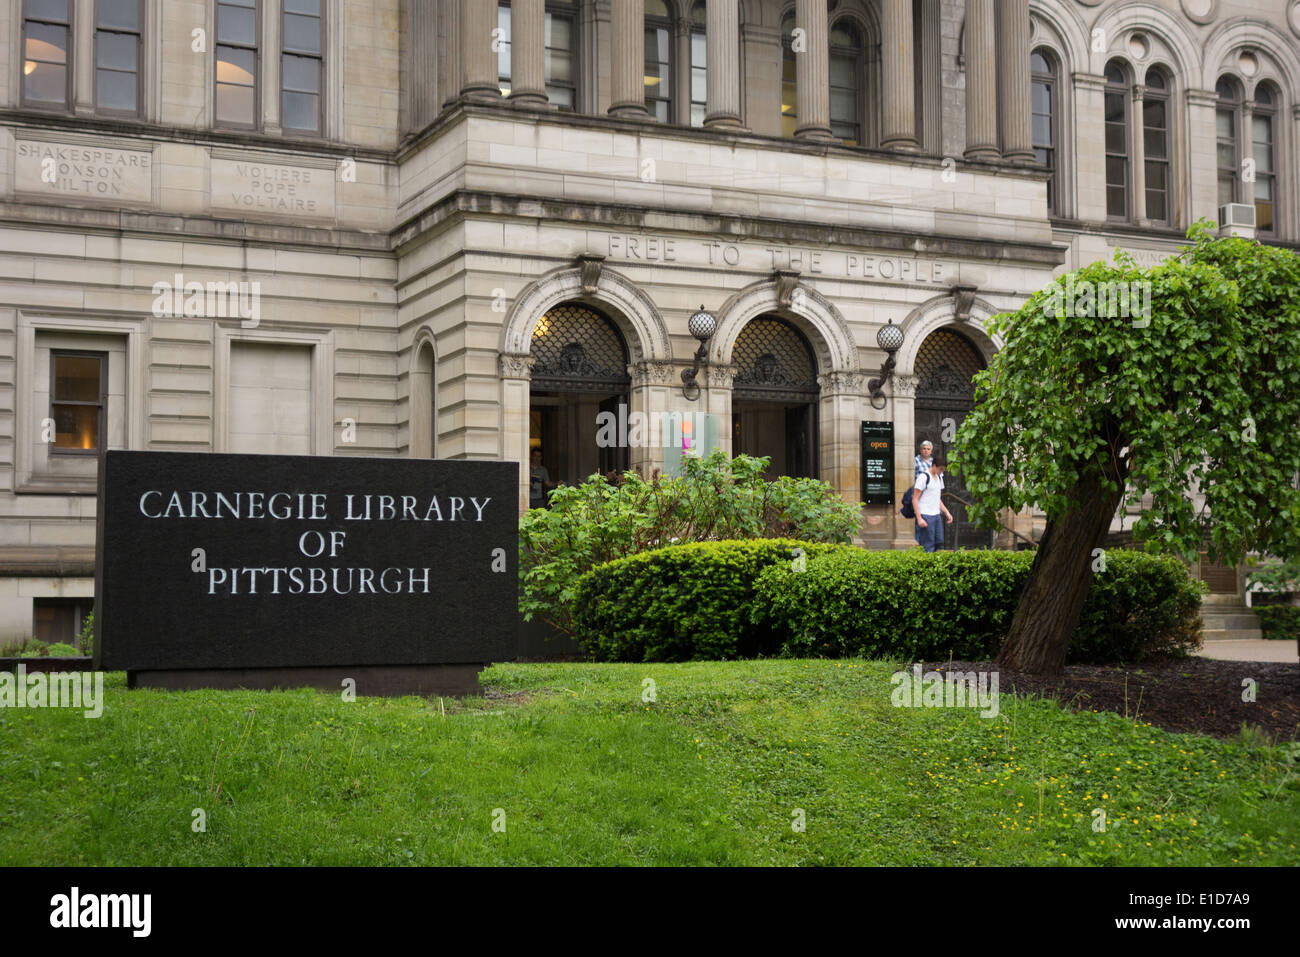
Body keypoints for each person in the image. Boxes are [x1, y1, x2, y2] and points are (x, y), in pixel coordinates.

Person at [913, 454, 954, 553]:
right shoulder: (924, 477)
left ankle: (931, 560)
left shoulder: (939, 478)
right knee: (928, 544)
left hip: (936, 515)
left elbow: (937, 499)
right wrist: (919, 518)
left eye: (943, 470)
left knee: (939, 541)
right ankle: (927, 564)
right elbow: (914, 499)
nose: (941, 472)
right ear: (934, 465)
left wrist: (947, 512)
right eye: (940, 469)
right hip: (926, 514)